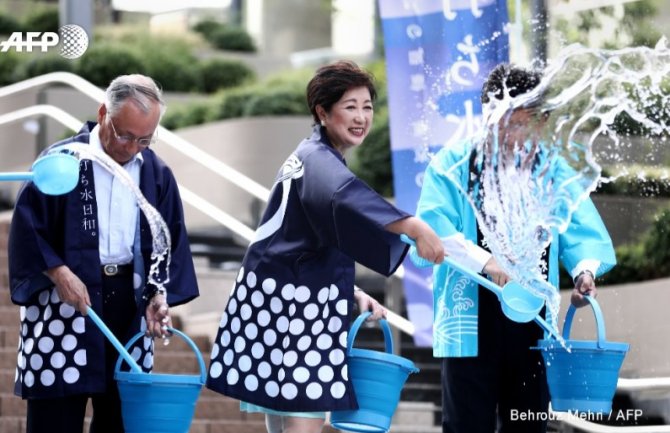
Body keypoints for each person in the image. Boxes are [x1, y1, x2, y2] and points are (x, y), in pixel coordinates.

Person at [206, 60, 445, 433]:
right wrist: (413, 226)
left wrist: (350, 290)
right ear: (322, 111)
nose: (361, 117)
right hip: (293, 307)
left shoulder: (312, 156)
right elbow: (343, 198)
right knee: (303, 422)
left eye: (367, 107)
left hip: (279, 299)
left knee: (286, 421)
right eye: (350, 106)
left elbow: (307, 236)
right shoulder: (317, 158)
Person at [416, 64, 616, 433]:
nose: (514, 134)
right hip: (470, 322)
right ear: (486, 114)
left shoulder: (550, 168)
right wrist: (486, 261)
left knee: (529, 425)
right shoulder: (453, 164)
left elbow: (578, 224)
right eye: (505, 121)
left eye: (525, 123)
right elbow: (429, 230)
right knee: (466, 426)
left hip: (533, 322)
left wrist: (584, 270)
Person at [8, 74, 200, 433]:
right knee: (55, 414)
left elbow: (167, 242)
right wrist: (58, 273)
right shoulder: (62, 160)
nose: (131, 147)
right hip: (64, 302)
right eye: (124, 134)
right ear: (102, 114)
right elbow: (27, 226)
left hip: (129, 303)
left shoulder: (156, 173)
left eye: (144, 139)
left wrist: (159, 293)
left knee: (120, 418)